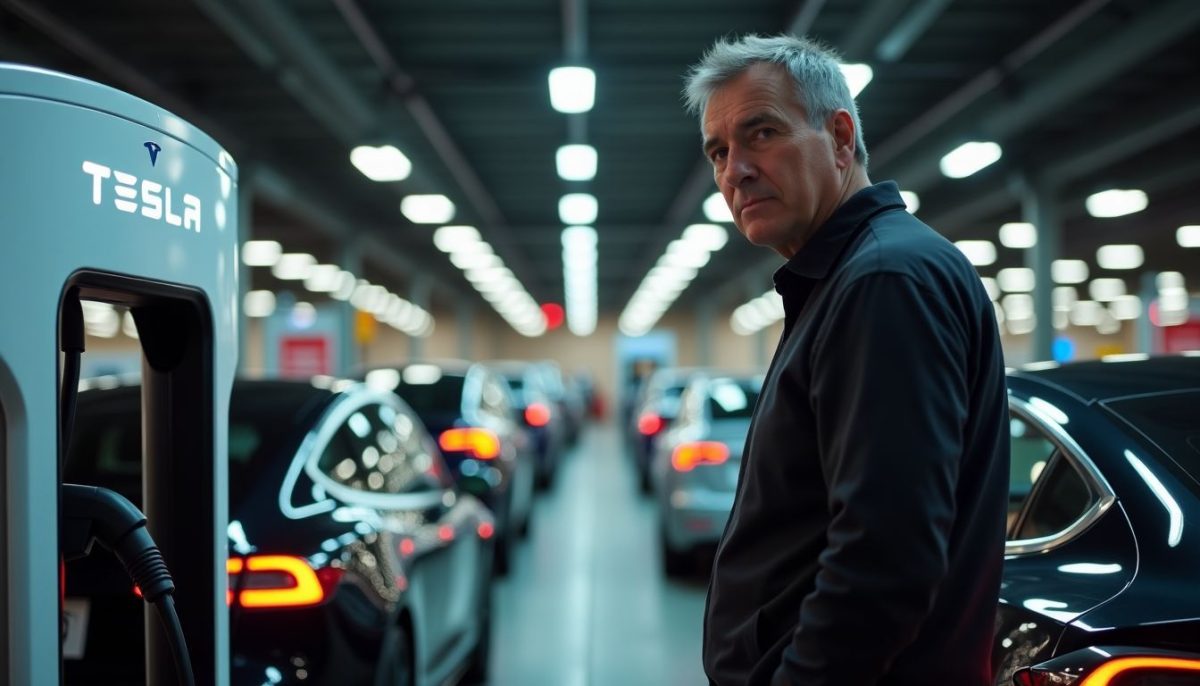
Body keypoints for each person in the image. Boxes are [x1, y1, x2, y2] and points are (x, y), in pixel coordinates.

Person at [684, 34, 1009, 686]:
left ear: (838, 137)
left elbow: (885, 555)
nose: (734, 170)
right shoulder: (848, 279)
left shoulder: (883, 281)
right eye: (719, 151)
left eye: (762, 134)